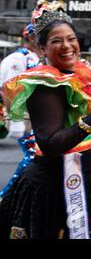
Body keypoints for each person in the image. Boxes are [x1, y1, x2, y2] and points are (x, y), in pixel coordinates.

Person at [0, 0, 91, 239]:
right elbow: (52, 142)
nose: (67, 46)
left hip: (80, 185)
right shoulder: (44, 85)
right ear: (43, 49)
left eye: (71, 38)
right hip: (54, 194)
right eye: (56, 41)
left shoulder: (75, 76)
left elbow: (74, 127)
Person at [0, 23, 41, 199]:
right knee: (24, 164)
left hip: (39, 119)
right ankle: (10, 199)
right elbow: (9, 89)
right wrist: (16, 120)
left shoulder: (39, 58)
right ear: (31, 37)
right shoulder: (18, 59)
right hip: (25, 119)